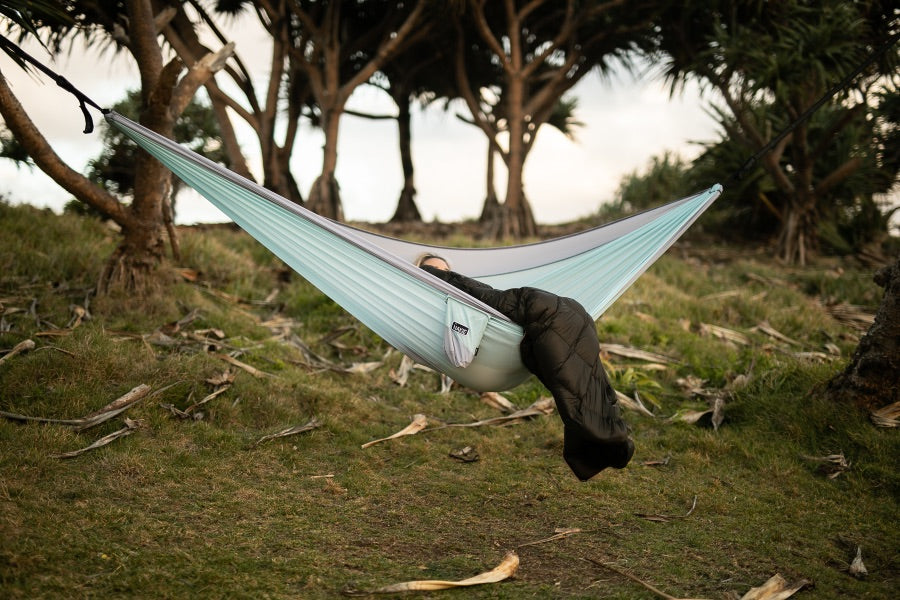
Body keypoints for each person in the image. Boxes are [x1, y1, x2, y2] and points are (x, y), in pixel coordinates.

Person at [418, 255, 634, 480]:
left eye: (445, 269)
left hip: (550, 309)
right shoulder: (436, 288)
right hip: (557, 313)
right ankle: (608, 437)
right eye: (433, 268)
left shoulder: (461, 287)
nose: (442, 273)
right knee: (578, 380)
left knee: (577, 381)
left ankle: (607, 438)